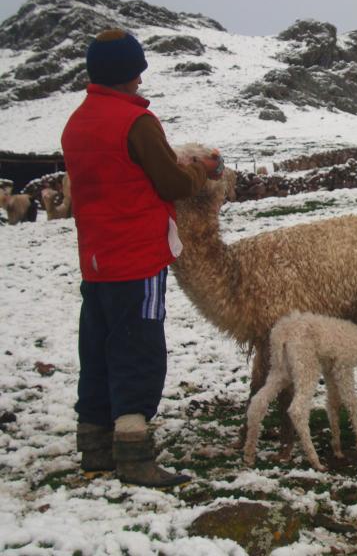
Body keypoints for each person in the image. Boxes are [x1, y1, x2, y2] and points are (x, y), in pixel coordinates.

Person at [61, 29, 224, 487]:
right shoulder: (135, 122)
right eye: (136, 71)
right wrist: (202, 171)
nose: (139, 80)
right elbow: (170, 184)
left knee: (98, 350)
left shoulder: (76, 123)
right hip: (138, 258)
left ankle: (94, 450)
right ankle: (135, 458)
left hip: (96, 261)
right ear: (130, 73)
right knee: (139, 350)